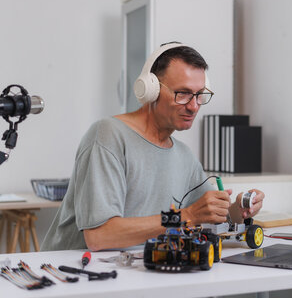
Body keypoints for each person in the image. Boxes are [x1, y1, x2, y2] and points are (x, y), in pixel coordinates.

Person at [41, 42, 264, 251]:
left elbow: (211, 215)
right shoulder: (108, 136)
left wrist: (238, 208)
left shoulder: (183, 156)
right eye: (183, 94)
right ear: (151, 90)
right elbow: (100, 236)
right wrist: (186, 215)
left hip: (137, 272)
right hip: (76, 277)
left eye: (199, 95)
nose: (194, 106)